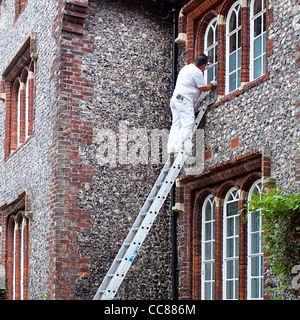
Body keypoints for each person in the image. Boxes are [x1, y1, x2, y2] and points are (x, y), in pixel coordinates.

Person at [167, 54, 217, 155]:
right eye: (205, 66)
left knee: (176, 124)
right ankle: (179, 147)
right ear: (203, 65)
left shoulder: (187, 67)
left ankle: (171, 148)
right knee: (188, 122)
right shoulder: (197, 72)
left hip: (175, 99)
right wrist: (212, 84)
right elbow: (203, 88)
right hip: (184, 100)